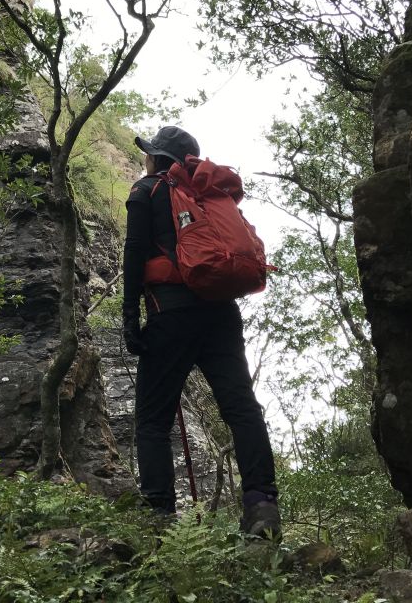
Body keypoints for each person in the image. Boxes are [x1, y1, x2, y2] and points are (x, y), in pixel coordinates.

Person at [122, 125, 281, 538]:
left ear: (158, 158)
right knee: (241, 408)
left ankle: (158, 518)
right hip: (221, 315)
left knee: (153, 421)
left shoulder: (148, 190)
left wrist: (129, 319)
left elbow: (134, 254)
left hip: (171, 314)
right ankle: (262, 504)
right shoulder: (211, 198)